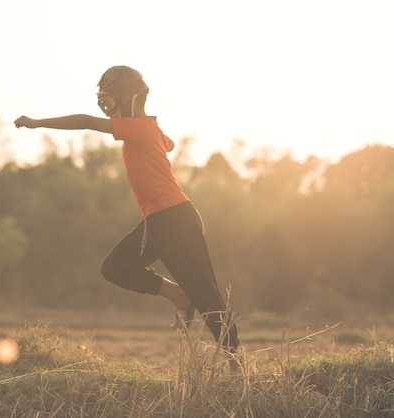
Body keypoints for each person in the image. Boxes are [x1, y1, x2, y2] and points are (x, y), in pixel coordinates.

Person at [14, 65, 239, 353]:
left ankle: (237, 360)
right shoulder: (146, 130)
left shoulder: (141, 129)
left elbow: (85, 121)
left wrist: (36, 123)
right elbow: (168, 144)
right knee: (115, 267)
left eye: (109, 101)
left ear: (129, 99)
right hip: (156, 221)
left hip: (176, 218)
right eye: (103, 102)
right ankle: (179, 295)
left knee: (206, 294)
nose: (105, 108)